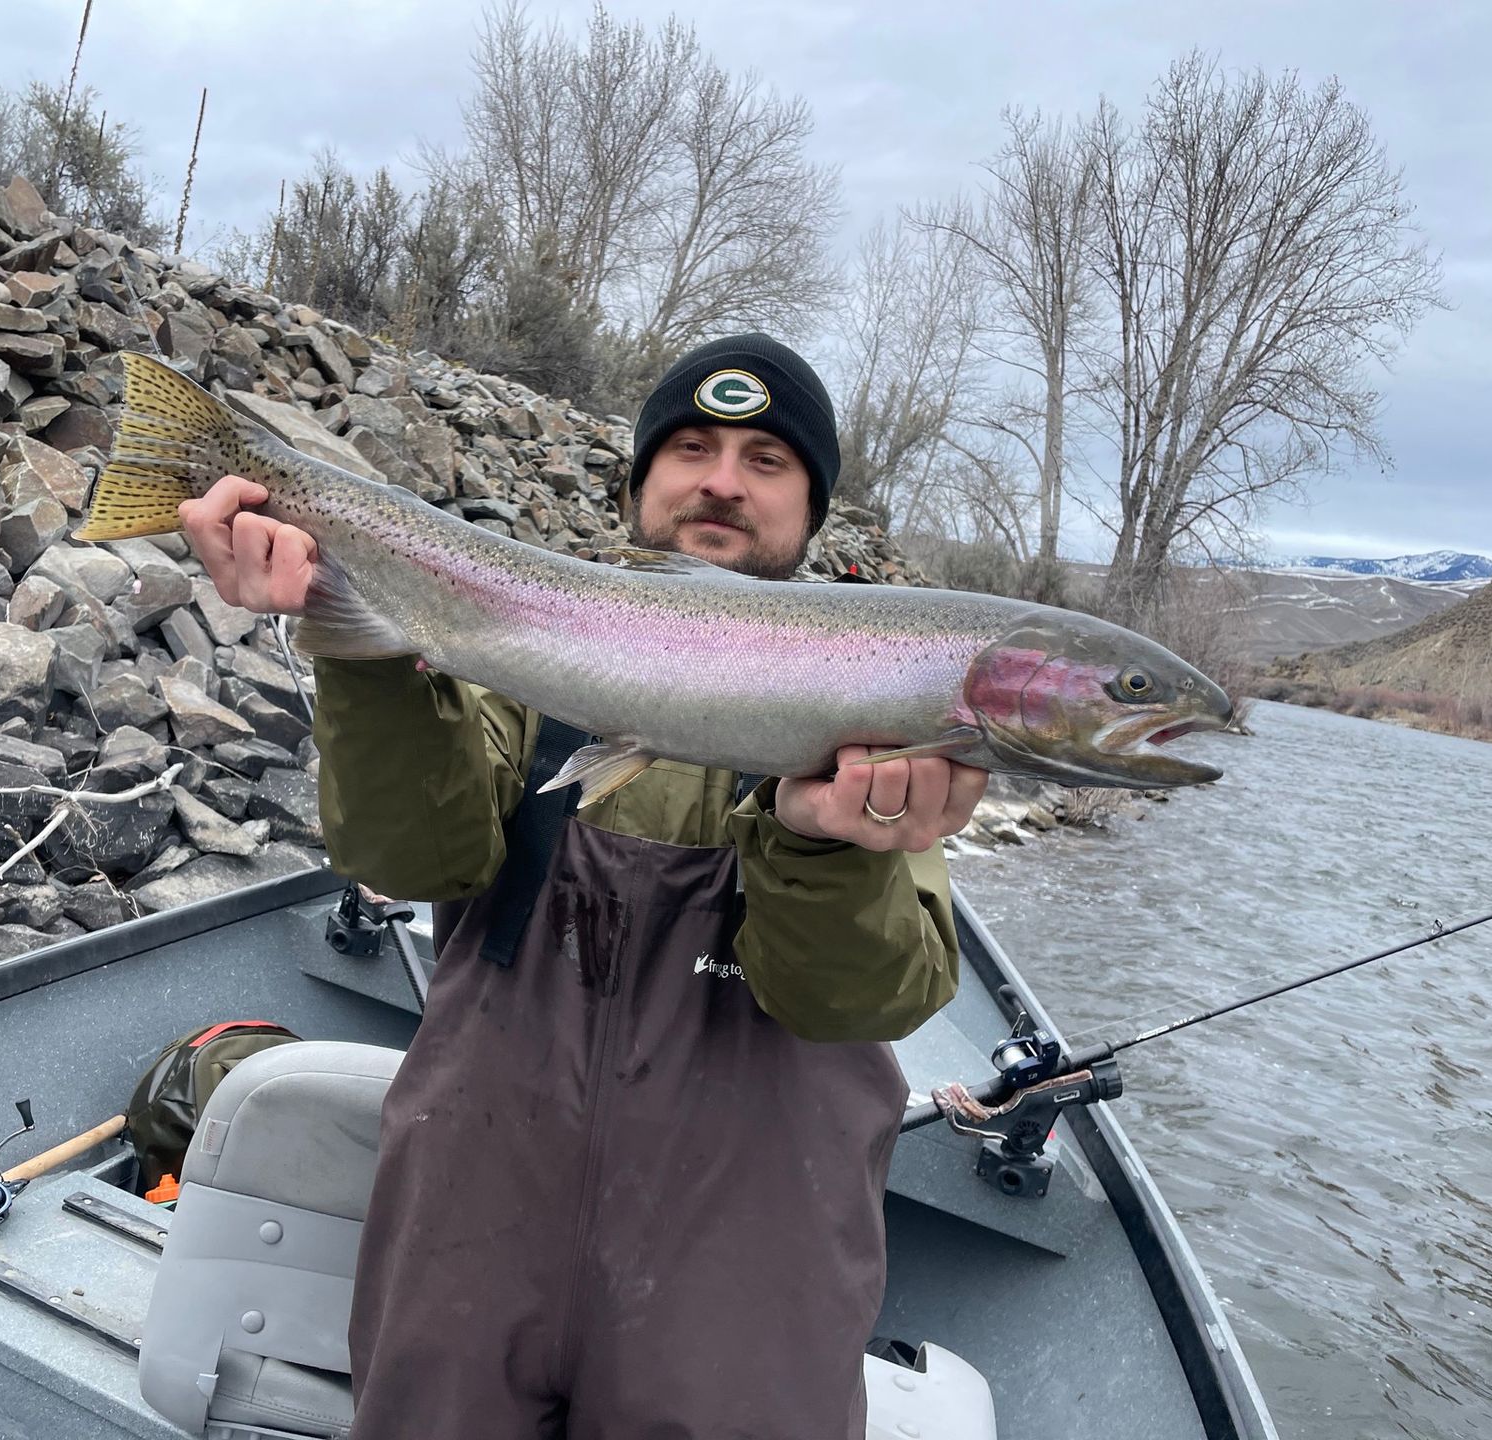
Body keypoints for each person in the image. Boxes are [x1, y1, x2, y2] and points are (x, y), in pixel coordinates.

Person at [179, 332, 988, 1439]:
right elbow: (408, 861)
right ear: (637, 482)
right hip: (469, 1238)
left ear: (813, 513)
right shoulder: (533, 664)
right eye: (692, 447)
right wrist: (358, 647)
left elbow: (857, 1003)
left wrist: (823, 842)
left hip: (742, 1286)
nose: (720, 480)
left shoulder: (875, 735)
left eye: (767, 461)